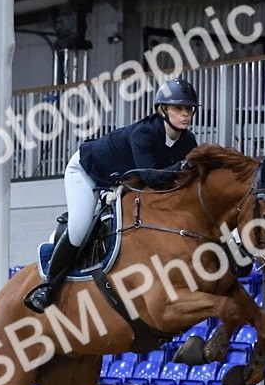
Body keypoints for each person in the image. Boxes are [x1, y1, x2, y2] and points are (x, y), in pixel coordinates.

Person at [24, 77, 200, 313]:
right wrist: (183, 167)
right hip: (87, 171)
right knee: (79, 226)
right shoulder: (145, 134)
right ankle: (48, 287)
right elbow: (152, 178)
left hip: (119, 179)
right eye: (178, 108)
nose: (185, 114)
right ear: (163, 110)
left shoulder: (187, 141)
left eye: (189, 109)